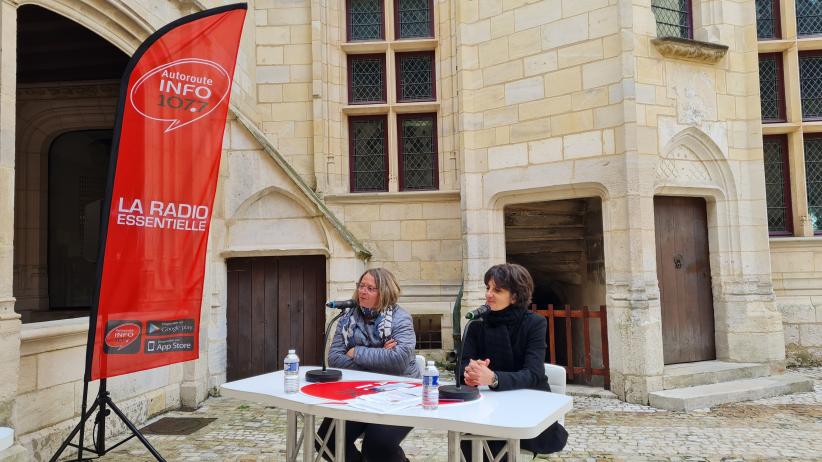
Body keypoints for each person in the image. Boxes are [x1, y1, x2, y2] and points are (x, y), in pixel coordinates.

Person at [460, 263, 568, 461]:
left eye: (497, 290)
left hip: (528, 404)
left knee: (493, 441)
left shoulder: (534, 323)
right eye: (488, 288)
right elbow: (461, 368)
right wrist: (471, 373)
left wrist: (493, 378)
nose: (488, 294)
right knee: (471, 440)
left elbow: (534, 373)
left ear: (515, 296)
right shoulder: (477, 324)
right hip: (487, 406)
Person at [317, 267, 420, 462]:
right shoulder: (347, 317)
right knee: (326, 440)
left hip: (400, 394)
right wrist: (382, 355)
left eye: (371, 288)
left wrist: (356, 351)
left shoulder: (400, 318)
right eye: (361, 286)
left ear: (385, 292)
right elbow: (335, 359)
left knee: (376, 445)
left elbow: (398, 362)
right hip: (359, 392)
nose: (363, 291)